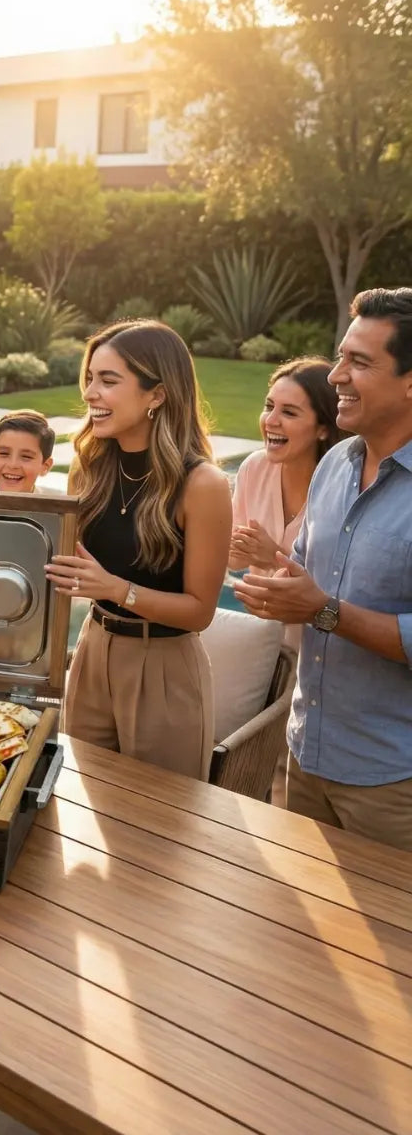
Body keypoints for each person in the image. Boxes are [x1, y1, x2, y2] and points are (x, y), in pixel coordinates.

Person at [234, 288, 412, 850]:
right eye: (341, 356)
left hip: (393, 781)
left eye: (359, 362)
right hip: (304, 755)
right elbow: (310, 572)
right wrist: (279, 579)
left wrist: (322, 610)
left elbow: (324, 605)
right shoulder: (335, 463)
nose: (336, 375)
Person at [45, 320, 231, 779]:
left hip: (164, 669)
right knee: (84, 809)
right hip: (91, 652)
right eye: (90, 378)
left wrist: (116, 588)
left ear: (157, 395)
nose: (90, 392)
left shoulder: (202, 484)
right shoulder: (89, 468)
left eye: (109, 381)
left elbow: (200, 611)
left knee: (159, 831)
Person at [230, 357, 341, 645]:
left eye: (289, 412)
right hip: (262, 640)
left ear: (323, 429)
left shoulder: (344, 487)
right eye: (269, 407)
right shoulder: (255, 468)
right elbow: (232, 558)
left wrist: (273, 555)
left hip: (321, 646)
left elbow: (341, 590)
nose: (271, 421)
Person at [0, 410, 55, 493]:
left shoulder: (54, 505)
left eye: (26, 456)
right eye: (4, 453)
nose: (13, 465)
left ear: (45, 466)